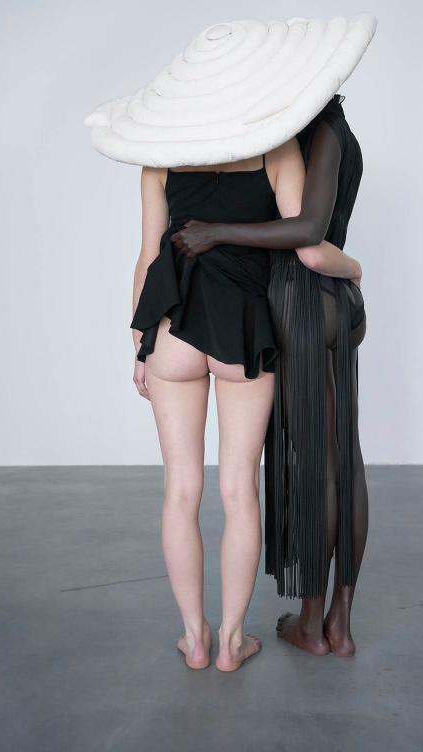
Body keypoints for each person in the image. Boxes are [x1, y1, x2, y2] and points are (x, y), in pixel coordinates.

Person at [130, 138, 362, 671]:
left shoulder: (160, 160)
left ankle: (195, 639)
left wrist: (141, 343)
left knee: (180, 489)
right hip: (244, 330)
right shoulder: (275, 153)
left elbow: (148, 257)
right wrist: (354, 270)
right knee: (239, 490)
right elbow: (308, 247)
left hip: (173, 325)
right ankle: (232, 642)